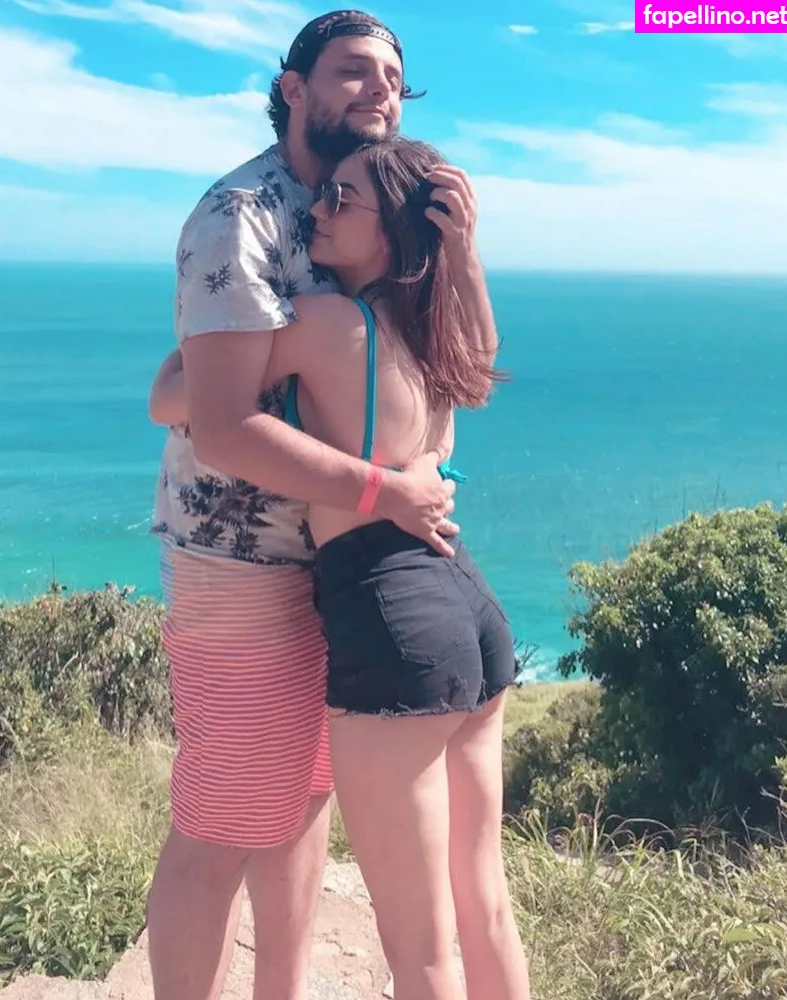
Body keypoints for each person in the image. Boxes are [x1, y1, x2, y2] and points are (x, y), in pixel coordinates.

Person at [145, 10, 501, 1000]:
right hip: (242, 561)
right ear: (293, 89)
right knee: (223, 823)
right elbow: (215, 423)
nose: (380, 88)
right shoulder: (246, 216)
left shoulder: (355, 215)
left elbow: (456, 366)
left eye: (392, 75)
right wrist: (389, 490)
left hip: (335, 562)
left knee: (302, 799)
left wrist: (459, 247)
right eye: (353, 70)